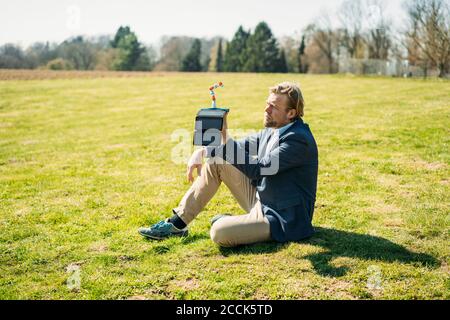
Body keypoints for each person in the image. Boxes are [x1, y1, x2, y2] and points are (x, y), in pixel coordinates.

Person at [138, 82, 318, 247]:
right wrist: (201, 152)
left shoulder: (298, 139)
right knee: (218, 161)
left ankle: (233, 223)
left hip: (282, 217)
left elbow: (260, 169)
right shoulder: (273, 130)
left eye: (273, 107)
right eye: (267, 103)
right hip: (263, 199)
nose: (266, 109)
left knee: (219, 232)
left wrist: (224, 136)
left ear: (291, 113)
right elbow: (238, 148)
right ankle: (177, 224)